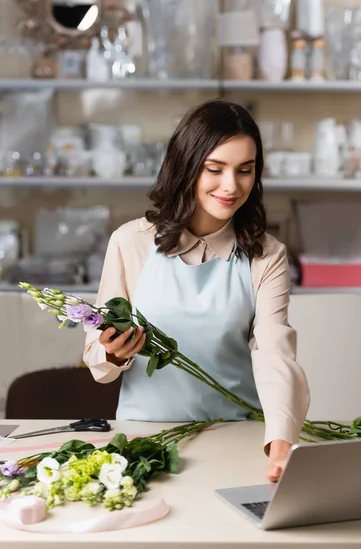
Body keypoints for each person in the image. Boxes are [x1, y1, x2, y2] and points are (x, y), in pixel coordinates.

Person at [84, 99, 310, 483]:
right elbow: (97, 361)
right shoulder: (131, 242)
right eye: (215, 169)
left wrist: (281, 442)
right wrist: (112, 350)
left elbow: (275, 352)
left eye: (245, 171)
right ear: (187, 166)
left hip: (238, 434)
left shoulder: (266, 255)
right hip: (146, 439)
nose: (231, 186)